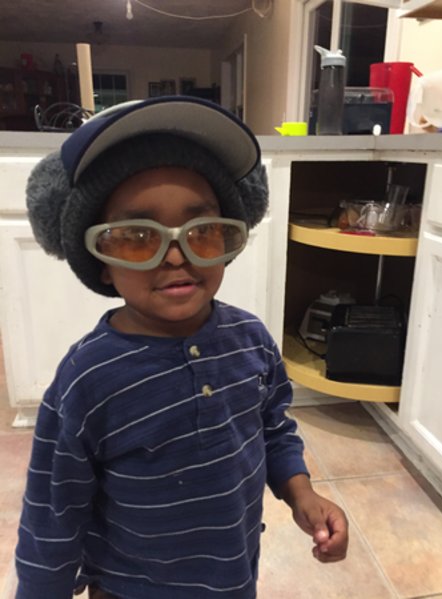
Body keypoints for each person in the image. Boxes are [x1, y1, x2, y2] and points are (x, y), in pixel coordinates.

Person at [15, 96, 348, 599]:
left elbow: (273, 429)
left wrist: (301, 492)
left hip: (235, 580)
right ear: (101, 260)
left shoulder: (252, 340)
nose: (175, 256)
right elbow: (52, 518)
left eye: (204, 231)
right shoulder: (87, 379)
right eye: (136, 236)